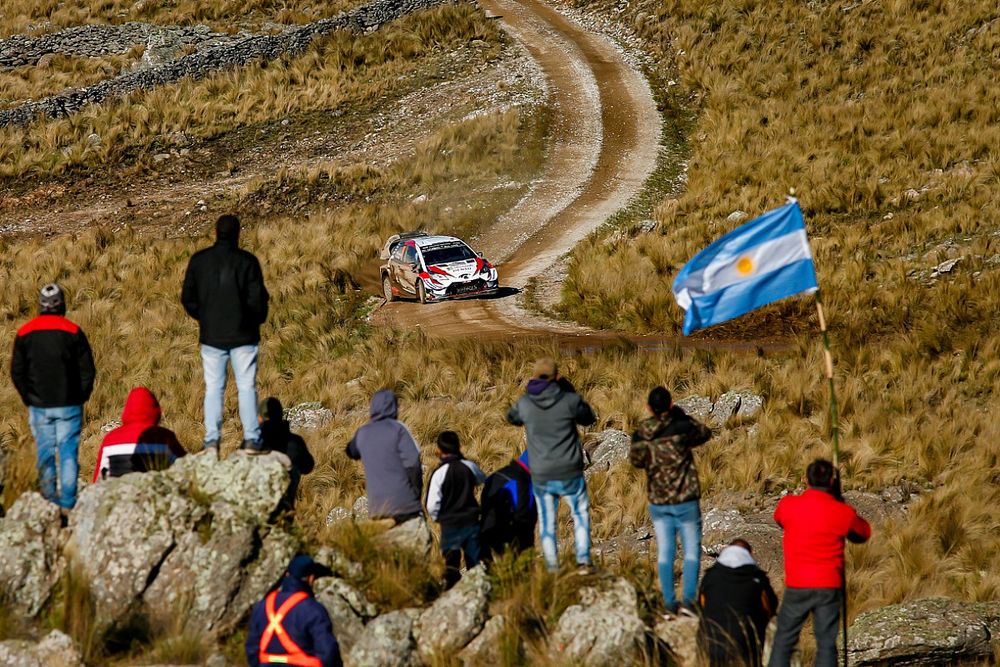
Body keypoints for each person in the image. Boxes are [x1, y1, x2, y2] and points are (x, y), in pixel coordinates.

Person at [768, 459, 871, 667]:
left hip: (797, 585)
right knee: (825, 643)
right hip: (829, 586)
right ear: (832, 482)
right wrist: (840, 502)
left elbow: (778, 517)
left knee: (784, 640)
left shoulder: (789, 505)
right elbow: (863, 533)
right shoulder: (841, 512)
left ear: (806, 480)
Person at [181, 214, 269, 454]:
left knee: (213, 388)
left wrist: (204, 317)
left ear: (216, 233)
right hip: (244, 336)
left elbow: (187, 298)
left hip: (212, 337)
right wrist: (254, 320)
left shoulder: (200, 261)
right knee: (246, 387)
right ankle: (251, 439)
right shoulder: (247, 261)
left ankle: (211, 441)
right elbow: (258, 300)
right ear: (238, 233)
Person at [506, 358, 597, 572]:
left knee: (547, 522)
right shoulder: (568, 400)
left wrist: (529, 396)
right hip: (569, 471)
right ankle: (583, 561)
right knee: (580, 514)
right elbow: (588, 417)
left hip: (541, 474)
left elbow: (512, 417)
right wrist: (570, 391)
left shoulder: (526, 404)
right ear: (557, 377)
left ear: (535, 378)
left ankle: (552, 567)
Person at [10, 284, 96, 510]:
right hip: (69, 404)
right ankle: (68, 503)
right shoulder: (73, 332)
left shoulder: (24, 333)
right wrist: (81, 397)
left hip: (39, 405)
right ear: (62, 305)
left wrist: (29, 397)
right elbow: (88, 370)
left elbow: (17, 372)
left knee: (45, 453)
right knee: (68, 453)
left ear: (40, 306)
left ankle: (49, 504)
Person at [629, 385, 712, 616]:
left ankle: (668, 603)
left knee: (665, 552)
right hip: (685, 499)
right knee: (692, 552)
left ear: (648, 408)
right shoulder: (683, 427)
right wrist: (681, 416)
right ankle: (687, 602)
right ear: (671, 404)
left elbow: (635, 460)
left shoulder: (643, 432)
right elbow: (705, 433)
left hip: (659, 501)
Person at [246, 553, 343, 667]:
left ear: (287, 574)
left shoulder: (261, 606)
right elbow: (328, 652)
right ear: (311, 579)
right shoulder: (313, 609)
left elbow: (251, 649)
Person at [346, 389, 423, 524]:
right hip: (405, 505)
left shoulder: (363, 432)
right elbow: (413, 463)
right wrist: (416, 492)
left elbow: (350, 451)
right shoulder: (399, 429)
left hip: (377, 508)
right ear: (394, 407)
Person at [698, 539, 778, 667]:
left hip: (712, 643)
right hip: (747, 645)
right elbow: (771, 608)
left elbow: (701, 606)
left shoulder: (710, 577)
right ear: (750, 554)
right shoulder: (757, 578)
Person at [426, 431, 487, 587]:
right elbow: (482, 479)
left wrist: (438, 518)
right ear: (458, 447)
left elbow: (432, 504)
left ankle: (452, 596)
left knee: (451, 565)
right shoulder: (469, 467)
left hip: (450, 525)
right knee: (474, 563)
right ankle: (477, 593)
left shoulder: (439, 473)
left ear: (439, 450)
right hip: (471, 522)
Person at [93, 387, 186, 482]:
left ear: (127, 410)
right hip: (154, 493)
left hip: (116, 494)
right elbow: (186, 470)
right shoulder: (165, 437)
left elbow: (97, 480)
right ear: (155, 410)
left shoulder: (110, 439)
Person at [249, 397, 316, 510]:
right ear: (280, 415)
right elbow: (308, 467)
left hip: (254, 515)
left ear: (260, 419)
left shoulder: (251, 444)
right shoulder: (295, 442)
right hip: (283, 515)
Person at [480, 451, 537, 561]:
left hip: (486, 536)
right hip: (511, 543)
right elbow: (524, 516)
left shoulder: (495, 475)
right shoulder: (523, 483)